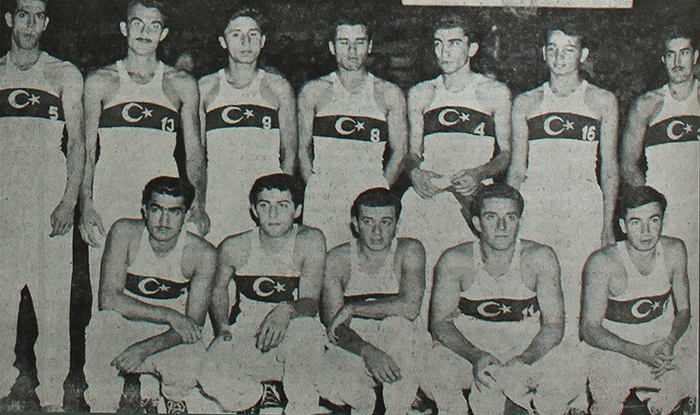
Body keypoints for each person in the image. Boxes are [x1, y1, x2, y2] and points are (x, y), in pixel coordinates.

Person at [79, 0, 209, 303]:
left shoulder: (181, 84)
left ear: (163, 34)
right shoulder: (100, 81)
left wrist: (199, 203)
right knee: (107, 295)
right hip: (111, 195)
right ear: (124, 29)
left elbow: (194, 153)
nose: (144, 32)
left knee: (161, 286)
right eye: (137, 23)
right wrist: (86, 204)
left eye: (154, 26)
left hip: (162, 199)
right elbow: (87, 150)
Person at [425, 184, 586, 415]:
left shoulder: (540, 257)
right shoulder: (455, 259)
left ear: (519, 221)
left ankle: (538, 408)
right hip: (476, 348)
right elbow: (440, 323)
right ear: (477, 223)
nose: (501, 227)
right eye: (491, 217)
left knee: (573, 361)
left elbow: (554, 324)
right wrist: (475, 356)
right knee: (431, 362)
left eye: (510, 217)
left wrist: (524, 359)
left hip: (524, 345)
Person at [507, 23, 619, 342]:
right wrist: (509, 218)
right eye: (553, 49)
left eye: (568, 50)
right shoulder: (526, 102)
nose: (559, 58)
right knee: (535, 288)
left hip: (583, 207)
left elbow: (609, 168)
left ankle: (576, 366)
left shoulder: (602, 101)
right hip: (537, 206)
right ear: (543, 53)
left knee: (578, 288)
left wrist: (607, 224)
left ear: (582, 54)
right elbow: (516, 169)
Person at [399, 15, 512, 324]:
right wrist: (415, 172)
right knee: (420, 283)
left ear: (471, 48)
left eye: (453, 43)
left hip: (469, 199)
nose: (444, 52)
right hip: (428, 198)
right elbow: (411, 154)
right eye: (438, 44)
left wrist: (479, 173)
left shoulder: (494, 92)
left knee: (466, 284)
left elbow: (505, 154)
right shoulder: (421, 93)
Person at [0, 0, 85, 410]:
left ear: (47, 23)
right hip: (5, 195)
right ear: (9, 20)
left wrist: (69, 200)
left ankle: (52, 390)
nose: (30, 24)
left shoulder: (63, 73)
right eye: (23, 15)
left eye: (38, 17)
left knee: (52, 296)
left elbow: (79, 143)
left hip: (47, 194)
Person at [83, 176, 216, 413]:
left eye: (174, 212)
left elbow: (192, 325)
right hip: (131, 323)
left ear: (187, 216)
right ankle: (103, 404)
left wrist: (143, 348)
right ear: (144, 210)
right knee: (102, 325)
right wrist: (169, 315)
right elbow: (109, 300)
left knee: (191, 359)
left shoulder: (202, 253)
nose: (164, 221)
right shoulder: (125, 232)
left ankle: (173, 398)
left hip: (168, 335)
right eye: (157, 210)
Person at [199, 173, 327, 415]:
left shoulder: (309, 241)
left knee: (308, 329)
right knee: (207, 375)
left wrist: (286, 309)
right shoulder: (234, 246)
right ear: (254, 210)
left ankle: (301, 407)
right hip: (250, 330)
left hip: (293, 330)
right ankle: (256, 394)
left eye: (283, 206)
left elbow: (311, 303)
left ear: (297, 210)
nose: (273, 214)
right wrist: (223, 327)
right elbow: (217, 289)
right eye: (265, 205)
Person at [619, 28, 699, 360]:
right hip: (665, 216)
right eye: (671, 54)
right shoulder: (648, 104)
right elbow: (627, 163)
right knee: (672, 293)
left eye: (685, 53)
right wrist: (648, 207)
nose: (677, 62)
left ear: (696, 57)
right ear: (663, 60)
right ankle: (668, 364)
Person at [580, 186, 695, 415]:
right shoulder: (602, 262)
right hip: (616, 347)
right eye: (636, 222)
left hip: (658, 342)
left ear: (663, 220)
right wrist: (638, 352)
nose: (646, 231)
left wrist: (671, 341)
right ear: (623, 225)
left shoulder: (674, 250)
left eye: (654, 220)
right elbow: (589, 329)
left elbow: (684, 311)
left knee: (691, 375)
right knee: (607, 403)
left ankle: (659, 406)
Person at [298, 15, 407, 250]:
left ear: (370, 46)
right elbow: (302, 148)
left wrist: (378, 192)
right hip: (324, 199)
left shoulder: (388, 93)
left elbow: (400, 152)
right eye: (344, 42)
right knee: (323, 263)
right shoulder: (314, 91)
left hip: (367, 198)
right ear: (332, 47)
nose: (352, 50)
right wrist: (314, 187)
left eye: (359, 42)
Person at [320, 188, 429, 415]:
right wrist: (367, 351)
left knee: (397, 324)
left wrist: (353, 308)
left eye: (386, 222)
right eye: (368, 221)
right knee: (322, 377)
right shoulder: (338, 259)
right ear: (355, 224)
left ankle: (397, 409)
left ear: (397, 224)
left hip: (402, 343)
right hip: (357, 344)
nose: (377, 232)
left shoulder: (409, 250)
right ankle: (366, 405)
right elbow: (334, 325)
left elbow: (409, 308)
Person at [199, 7, 297, 245]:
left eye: (253, 35)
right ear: (223, 41)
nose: (246, 42)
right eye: (236, 35)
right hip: (219, 200)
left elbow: (290, 153)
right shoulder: (206, 87)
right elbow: (197, 156)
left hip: (265, 203)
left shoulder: (278, 87)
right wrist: (199, 203)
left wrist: (280, 203)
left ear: (262, 41)